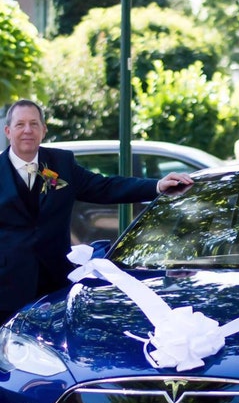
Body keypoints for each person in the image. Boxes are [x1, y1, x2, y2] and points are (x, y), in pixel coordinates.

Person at [0, 98, 193, 325]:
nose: (27, 130)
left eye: (34, 124)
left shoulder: (60, 164)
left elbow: (105, 187)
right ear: (8, 131)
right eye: (20, 124)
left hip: (55, 283)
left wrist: (156, 186)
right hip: (7, 285)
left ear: (43, 130)